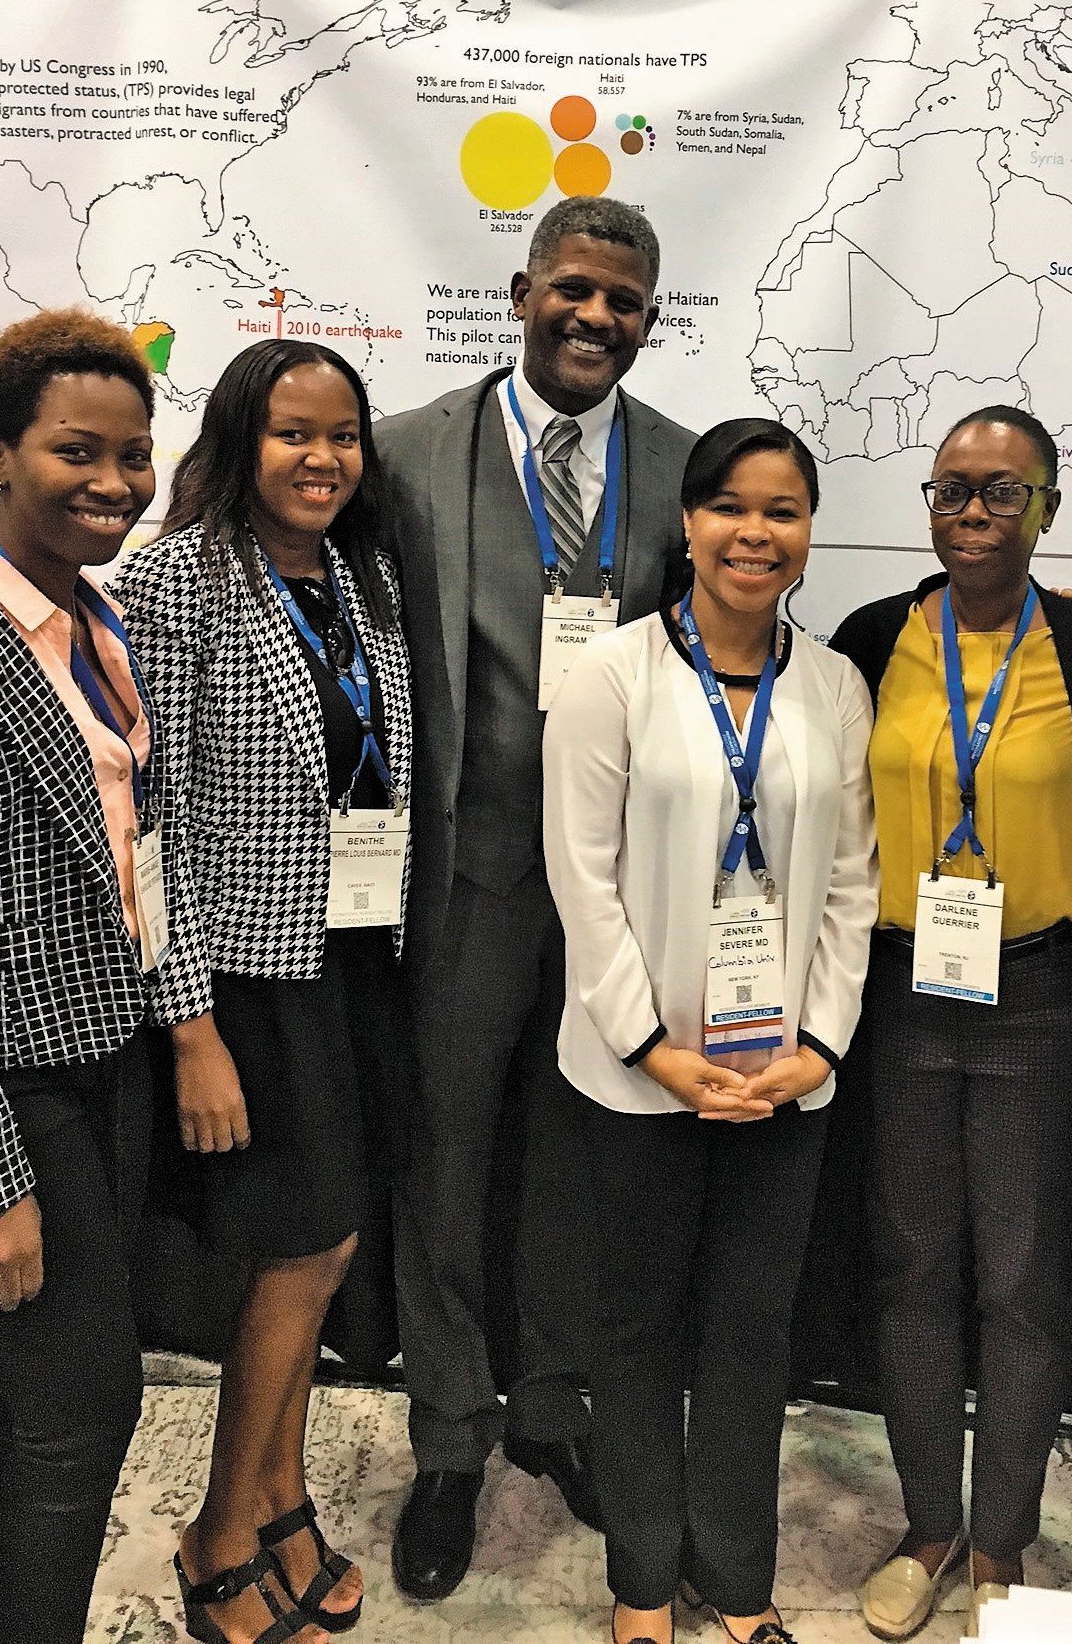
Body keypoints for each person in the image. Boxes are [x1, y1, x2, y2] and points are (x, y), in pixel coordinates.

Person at [375, 195, 694, 1599]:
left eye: (622, 302)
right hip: (468, 883)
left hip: (617, 894)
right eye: (572, 289)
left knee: (582, 1165)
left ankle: (555, 1411)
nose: (593, 318)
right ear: (520, 293)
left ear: (650, 321)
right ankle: (449, 1437)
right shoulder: (405, 454)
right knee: (443, 1162)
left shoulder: (686, 467)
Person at [542, 417, 877, 1644]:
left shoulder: (833, 685)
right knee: (636, 1333)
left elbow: (853, 886)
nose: (755, 532)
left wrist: (819, 1048)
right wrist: (657, 1051)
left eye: (782, 510)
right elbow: (581, 883)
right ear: (687, 523)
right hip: (639, 1080)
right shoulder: (612, 675)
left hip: (781, 1081)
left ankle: (736, 1580)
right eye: (731, 505)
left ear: (808, 532)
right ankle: (642, 1582)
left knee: (750, 1336)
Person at [829, 405, 1072, 1641]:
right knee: (911, 1269)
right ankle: (929, 1527)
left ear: (1048, 508)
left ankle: (1002, 1537)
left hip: (1040, 1001)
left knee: (1023, 1280)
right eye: (951, 489)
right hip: (905, 991)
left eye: (1003, 491)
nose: (973, 513)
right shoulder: (871, 640)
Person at [115, 341, 413, 1644]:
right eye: (294, 432)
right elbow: (148, 820)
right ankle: (220, 1534)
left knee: (325, 1245)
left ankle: (284, 1504)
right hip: (246, 975)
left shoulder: (363, 578)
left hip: (356, 959)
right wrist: (188, 1026)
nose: (322, 458)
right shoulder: (177, 578)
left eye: (342, 435)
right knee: (302, 1253)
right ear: (242, 439)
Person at [0, 309, 206, 1644]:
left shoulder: (99, 615)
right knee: (81, 1408)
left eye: (134, 455)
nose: (114, 481)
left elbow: (135, 840)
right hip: (8, 1091)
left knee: (39, 1405)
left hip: (106, 1057)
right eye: (75, 451)